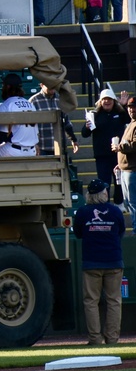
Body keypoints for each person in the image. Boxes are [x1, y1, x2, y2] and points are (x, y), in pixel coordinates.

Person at [73, 179, 124, 346]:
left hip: (91, 262)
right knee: (114, 300)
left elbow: (78, 233)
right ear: (104, 193)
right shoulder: (115, 211)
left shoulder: (82, 212)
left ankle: (95, 338)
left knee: (91, 301)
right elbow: (121, 232)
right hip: (113, 261)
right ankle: (112, 339)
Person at [0, 73, 40, 157]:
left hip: (13, 151)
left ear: (7, 87)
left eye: (3, 85)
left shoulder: (6, 105)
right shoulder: (30, 104)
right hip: (31, 151)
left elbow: (0, 137)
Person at [81, 88, 130, 188]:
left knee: (120, 183)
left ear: (113, 101)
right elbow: (84, 134)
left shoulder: (119, 112)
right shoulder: (95, 115)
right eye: (104, 99)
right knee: (104, 183)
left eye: (109, 99)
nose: (107, 101)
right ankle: (105, 202)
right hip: (102, 156)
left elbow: (128, 119)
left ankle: (119, 203)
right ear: (100, 101)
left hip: (118, 154)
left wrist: (124, 106)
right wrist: (87, 127)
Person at [29, 83, 79, 158]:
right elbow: (28, 127)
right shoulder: (33, 101)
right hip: (41, 148)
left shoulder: (60, 99)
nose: (52, 87)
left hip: (60, 147)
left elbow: (66, 123)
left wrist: (73, 140)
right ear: (42, 85)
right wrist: (33, 145)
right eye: (48, 84)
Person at [113, 96, 136, 218]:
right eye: (130, 108)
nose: (132, 110)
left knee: (133, 203)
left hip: (133, 171)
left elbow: (134, 145)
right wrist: (120, 164)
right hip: (125, 169)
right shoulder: (131, 123)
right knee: (128, 203)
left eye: (134, 108)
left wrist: (119, 148)